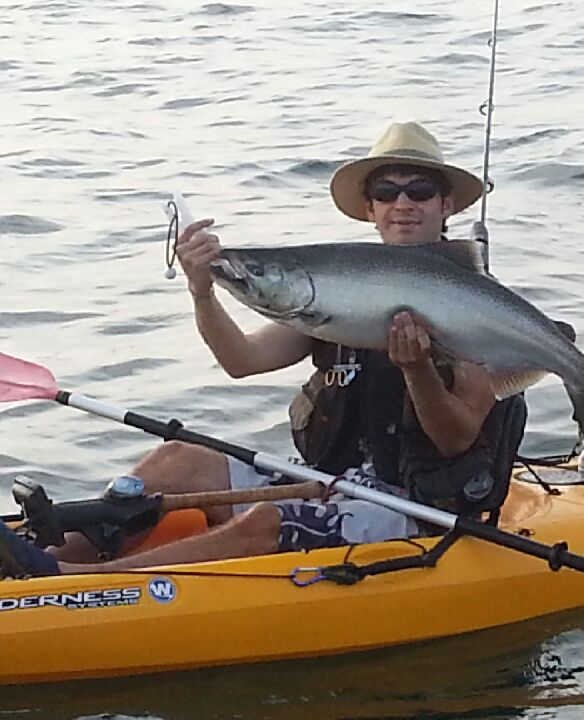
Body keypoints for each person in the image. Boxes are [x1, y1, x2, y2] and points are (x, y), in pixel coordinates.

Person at [0, 122, 527, 578]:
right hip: (332, 480)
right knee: (177, 459)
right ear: (370, 208)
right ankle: (40, 557)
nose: (403, 203)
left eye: (420, 189)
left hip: (416, 507)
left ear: (446, 203)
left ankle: (77, 581)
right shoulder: (341, 293)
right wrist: (203, 290)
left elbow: (458, 437)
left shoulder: (474, 306)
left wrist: (417, 370)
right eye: (388, 192)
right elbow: (241, 360)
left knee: (264, 524)